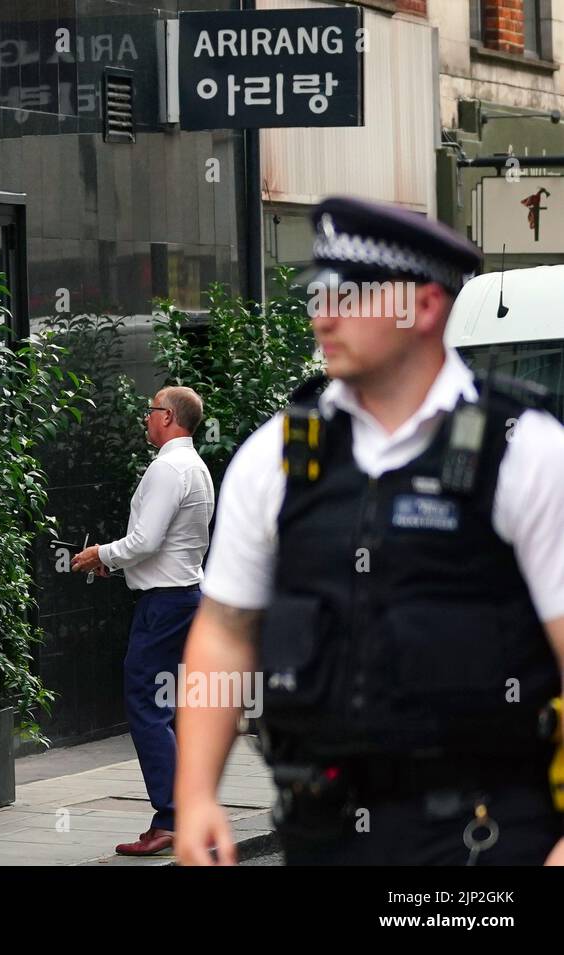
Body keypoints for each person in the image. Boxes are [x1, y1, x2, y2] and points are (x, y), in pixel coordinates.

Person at [175, 195, 564, 866]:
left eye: (350, 295)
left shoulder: (523, 451)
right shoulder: (275, 455)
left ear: (425, 306)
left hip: (487, 838)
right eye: (319, 292)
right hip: (321, 831)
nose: (322, 314)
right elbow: (224, 628)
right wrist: (196, 793)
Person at [71, 386, 214, 856]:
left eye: (151, 411)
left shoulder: (167, 467)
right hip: (185, 596)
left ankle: (171, 818)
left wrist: (100, 553)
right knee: (169, 709)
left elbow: (147, 539)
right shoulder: (196, 466)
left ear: (168, 416)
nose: (146, 418)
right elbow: (170, 543)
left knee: (147, 705)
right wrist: (113, 565)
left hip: (164, 605)